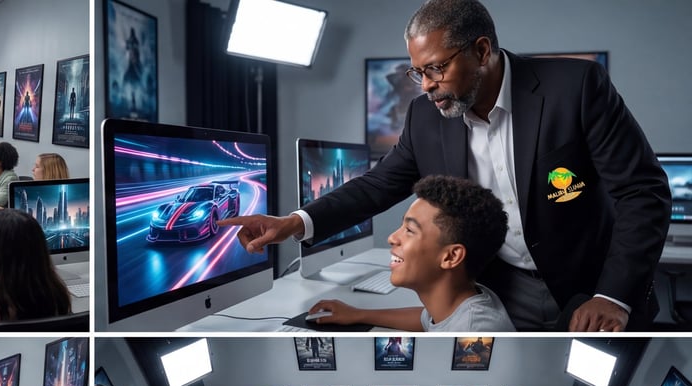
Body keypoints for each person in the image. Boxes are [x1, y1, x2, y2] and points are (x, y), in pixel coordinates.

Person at [224, 0, 671, 332]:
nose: (427, 86)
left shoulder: (575, 88)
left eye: (436, 69)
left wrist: (613, 295)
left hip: (593, 284)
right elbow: (378, 185)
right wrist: (294, 222)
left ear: (481, 51)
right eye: (417, 72)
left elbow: (642, 192)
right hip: (501, 287)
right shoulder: (424, 117)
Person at [307, 175, 513, 331]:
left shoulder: (474, 331)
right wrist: (357, 314)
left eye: (410, 230)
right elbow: (426, 319)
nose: (392, 238)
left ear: (451, 256)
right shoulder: (459, 304)